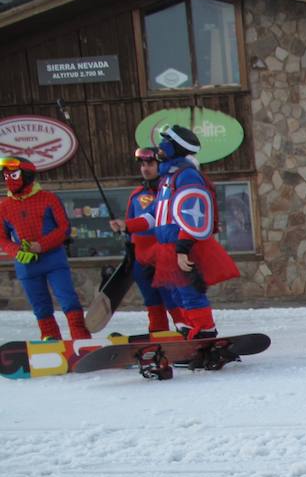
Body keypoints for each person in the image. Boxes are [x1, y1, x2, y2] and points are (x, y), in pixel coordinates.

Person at [112, 126, 238, 338]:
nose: (161, 147)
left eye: (166, 142)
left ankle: (204, 331)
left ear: (176, 147)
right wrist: (127, 226)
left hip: (182, 247)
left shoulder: (187, 176)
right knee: (177, 294)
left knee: (190, 293)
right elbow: (154, 216)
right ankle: (189, 329)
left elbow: (194, 216)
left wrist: (183, 248)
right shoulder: (167, 179)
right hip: (166, 248)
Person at [0, 156, 90, 341]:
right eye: (5, 175)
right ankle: (50, 341)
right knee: (40, 306)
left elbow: (64, 228)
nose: (9, 179)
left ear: (26, 175)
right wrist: (16, 250)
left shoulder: (49, 198)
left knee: (68, 300)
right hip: (26, 265)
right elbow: (2, 238)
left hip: (54, 260)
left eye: (14, 174)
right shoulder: (4, 206)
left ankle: (80, 339)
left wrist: (41, 245)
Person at [124, 146, 170, 333]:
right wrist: (129, 248)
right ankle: (158, 334)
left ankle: (187, 333)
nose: (145, 168)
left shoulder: (168, 190)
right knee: (151, 299)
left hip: (164, 253)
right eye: (142, 164)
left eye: (150, 164)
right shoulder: (136, 195)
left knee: (172, 297)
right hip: (141, 257)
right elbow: (129, 224)